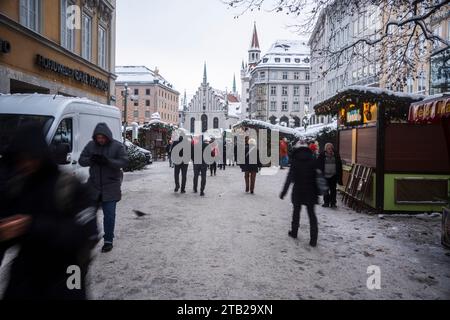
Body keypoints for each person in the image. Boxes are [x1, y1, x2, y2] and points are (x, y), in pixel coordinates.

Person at [0, 124, 99, 299]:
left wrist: (31, 226)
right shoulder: (16, 188)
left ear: (41, 155)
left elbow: (87, 233)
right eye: (20, 159)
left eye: (30, 158)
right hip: (27, 273)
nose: (26, 164)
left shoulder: (69, 186)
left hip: (70, 271)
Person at [79, 123, 128, 253]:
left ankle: (108, 240)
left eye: (102, 137)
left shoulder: (117, 146)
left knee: (109, 215)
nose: (100, 140)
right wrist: (91, 160)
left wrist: (108, 161)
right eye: (98, 137)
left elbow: (124, 162)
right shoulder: (91, 145)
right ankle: (91, 236)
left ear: (107, 136)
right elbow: (81, 160)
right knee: (89, 214)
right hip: (93, 186)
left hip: (110, 186)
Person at [280, 140, 319, 247]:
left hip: (298, 190)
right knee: (312, 215)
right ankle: (313, 239)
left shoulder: (295, 160)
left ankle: (294, 232)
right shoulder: (312, 158)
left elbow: (290, 178)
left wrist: (284, 192)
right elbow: (318, 175)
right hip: (311, 190)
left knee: (296, 212)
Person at [317, 143, 343, 208]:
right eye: (328, 148)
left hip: (333, 176)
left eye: (331, 148)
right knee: (325, 190)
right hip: (325, 176)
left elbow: (339, 165)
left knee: (333, 190)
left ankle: (333, 203)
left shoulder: (336, 155)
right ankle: (326, 202)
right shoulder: (322, 155)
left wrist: (339, 175)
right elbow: (318, 165)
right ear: (326, 149)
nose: (330, 149)